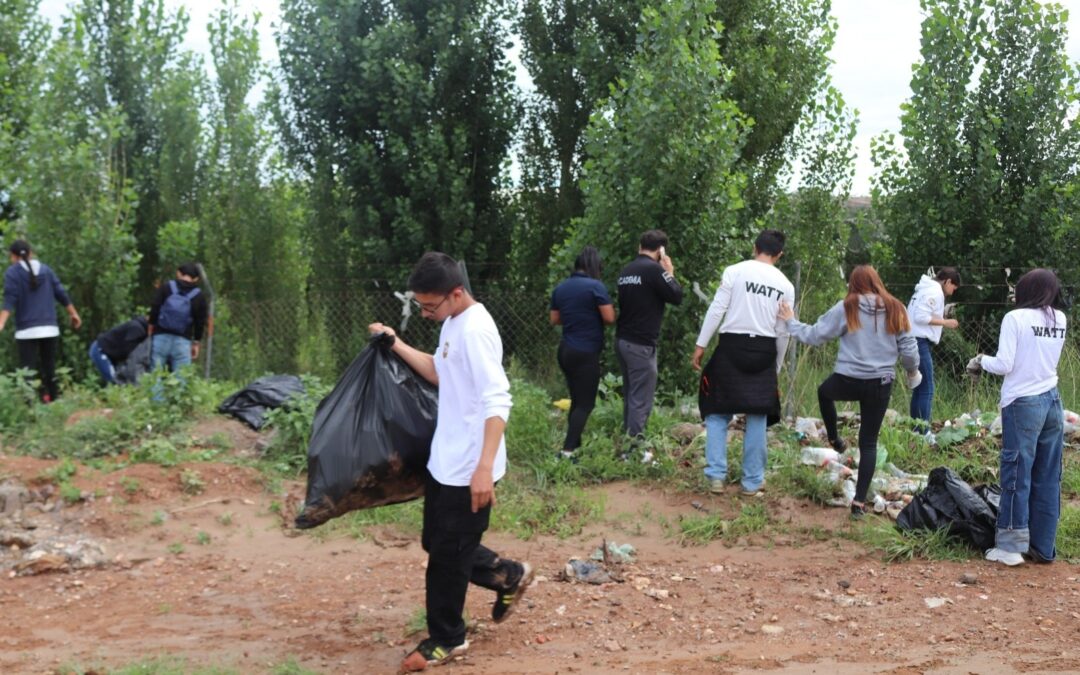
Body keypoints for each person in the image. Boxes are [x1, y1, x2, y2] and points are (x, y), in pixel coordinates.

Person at [367, 252, 533, 672]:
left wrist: (483, 468)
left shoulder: (476, 330)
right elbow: (440, 373)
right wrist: (395, 342)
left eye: (429, 306)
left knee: (446, 556)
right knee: (438, 543)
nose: (424, 313)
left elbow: (499, 400)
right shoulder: (453, 322)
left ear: (456, 293)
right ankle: (509, 575)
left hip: (470, 466)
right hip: (447, 459)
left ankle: (447, 639)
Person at [779, 265, 919, 519]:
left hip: (849, 379)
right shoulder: (896, 307)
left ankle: (835, 439)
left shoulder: (847, 306)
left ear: (853, 284)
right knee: (869, 442)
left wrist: (790, 321)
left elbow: (815, 335)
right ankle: (859, 504)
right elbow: (908, 348)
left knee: (824, 392)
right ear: (877, 281)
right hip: (881, 382)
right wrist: (912, 372)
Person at [967, 269, 1066, 566]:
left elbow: (1005, 363)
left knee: (1016, 472)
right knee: (1048, 476)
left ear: (1026, 290)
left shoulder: (1016, 318)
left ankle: (1010, 548)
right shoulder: (1059, 319)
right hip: (1052, 401)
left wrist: (980, 360)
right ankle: (1043, 547)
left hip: (1023, 403)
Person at [691, 229, 793, 497]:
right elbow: (783, 330)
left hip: (731, 346)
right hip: (764, 351)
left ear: (754, 247)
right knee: (758, 413)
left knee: (716, 410)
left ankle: (715, 476)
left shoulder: (735, 271)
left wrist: (701, 345)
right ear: (779, 255)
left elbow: (717, 309)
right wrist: (777, 366)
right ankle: (751, 482)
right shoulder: (785, 285)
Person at [615, 230, 683, 442]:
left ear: (640, 246)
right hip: (641, 344)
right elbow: (676, 295)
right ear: (661, 250)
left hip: (623, 340)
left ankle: (628, 442)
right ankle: (635, 448)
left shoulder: (627, 271)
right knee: (641, 399)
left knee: (631, 395)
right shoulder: (654, 270)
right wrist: (669, 272)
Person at [550, 247, 616, 461]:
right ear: (593, 266)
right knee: (586, 404)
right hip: (585, 351)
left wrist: (575, 316)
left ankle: (574, 446)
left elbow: (555, 319)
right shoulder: (595, 286)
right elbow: (609, 317)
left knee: (577, 400)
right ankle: (567, 451)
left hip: (566, 350)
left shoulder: (561, 288)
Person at [0, 240, 81, 402]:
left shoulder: (13, 273)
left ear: (14, 256)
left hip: (26, 331)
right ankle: (54, 402)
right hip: (49, 329)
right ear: (31, 252)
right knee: (49, 369)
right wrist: (74, 314)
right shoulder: (46, 270)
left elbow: (10, 299)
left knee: (27, 372)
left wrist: (1, 322)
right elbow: (61, 293)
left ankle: (30, 408)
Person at [907, 267, 961, 437]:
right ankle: (923, 432)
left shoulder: (925, 288)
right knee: (927, 388)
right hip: (919, 341)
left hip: (911, 339)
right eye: (954, 288)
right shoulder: (935, 292)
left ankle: (916, 430)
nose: (952, 292)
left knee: (919, 386)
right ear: (948, 281)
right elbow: (920, 317)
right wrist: (945, 322)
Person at [148, 262, 207, 373]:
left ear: (179, 273)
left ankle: (156, 391)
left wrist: (151, 326)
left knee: (155, 375)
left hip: (161, 336)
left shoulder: (167, 287)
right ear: (196, 279)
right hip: (183, 340)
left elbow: (155, 307)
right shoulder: (199, 295)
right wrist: (196, 342)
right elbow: (200, 322)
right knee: (182, 377)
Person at [89, 316, 149, 384]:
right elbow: (129, 352)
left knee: (117, 380)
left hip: (112, 355)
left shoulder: (141, 329)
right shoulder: (137, 328)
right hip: (100, 350)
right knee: (113, 381)